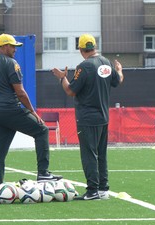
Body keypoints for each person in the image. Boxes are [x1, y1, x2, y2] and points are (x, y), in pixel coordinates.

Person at [0, 33, 62, 189]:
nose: (15, 50)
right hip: (9, 109)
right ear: (4, 46)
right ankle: (43, 173)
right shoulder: (11, 63)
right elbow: (20, 92)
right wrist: (33, 112)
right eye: (13, 46)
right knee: (42, 130)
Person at [51, 34, 124, 200]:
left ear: (81, 49)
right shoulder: (106, 62)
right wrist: (119, 70)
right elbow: (118, 80)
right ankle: (103, 189)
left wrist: (62, 77)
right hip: (104, 117)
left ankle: (92, 191)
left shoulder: (83, 67)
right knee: (101, 153)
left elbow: (70, 91)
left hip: (87, 118)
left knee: (89, 154)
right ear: (95, 47)